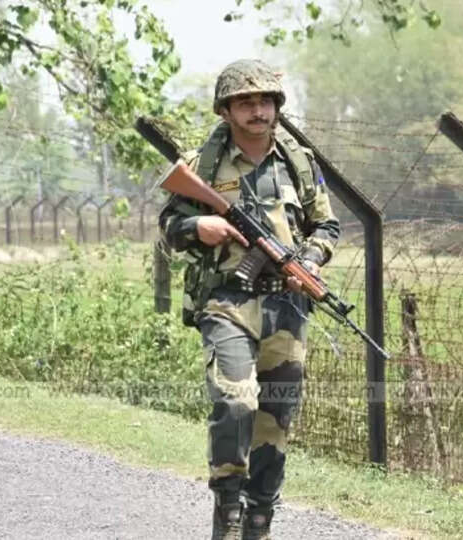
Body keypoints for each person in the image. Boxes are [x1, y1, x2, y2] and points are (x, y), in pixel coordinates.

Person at [158, 59, 340, 540]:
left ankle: (260, 518)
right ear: (226, 111)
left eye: (264, 101)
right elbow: (169, 228)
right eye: (245, 102)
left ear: (276, 106)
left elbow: (327, 226)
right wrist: (199, 225)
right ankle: (228, 509)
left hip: (287, 306)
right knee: (236, 403)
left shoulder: (299, 163)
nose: (257, 110)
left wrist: (311, 263)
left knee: (275, 418)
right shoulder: (205, 164)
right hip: (227, 303)